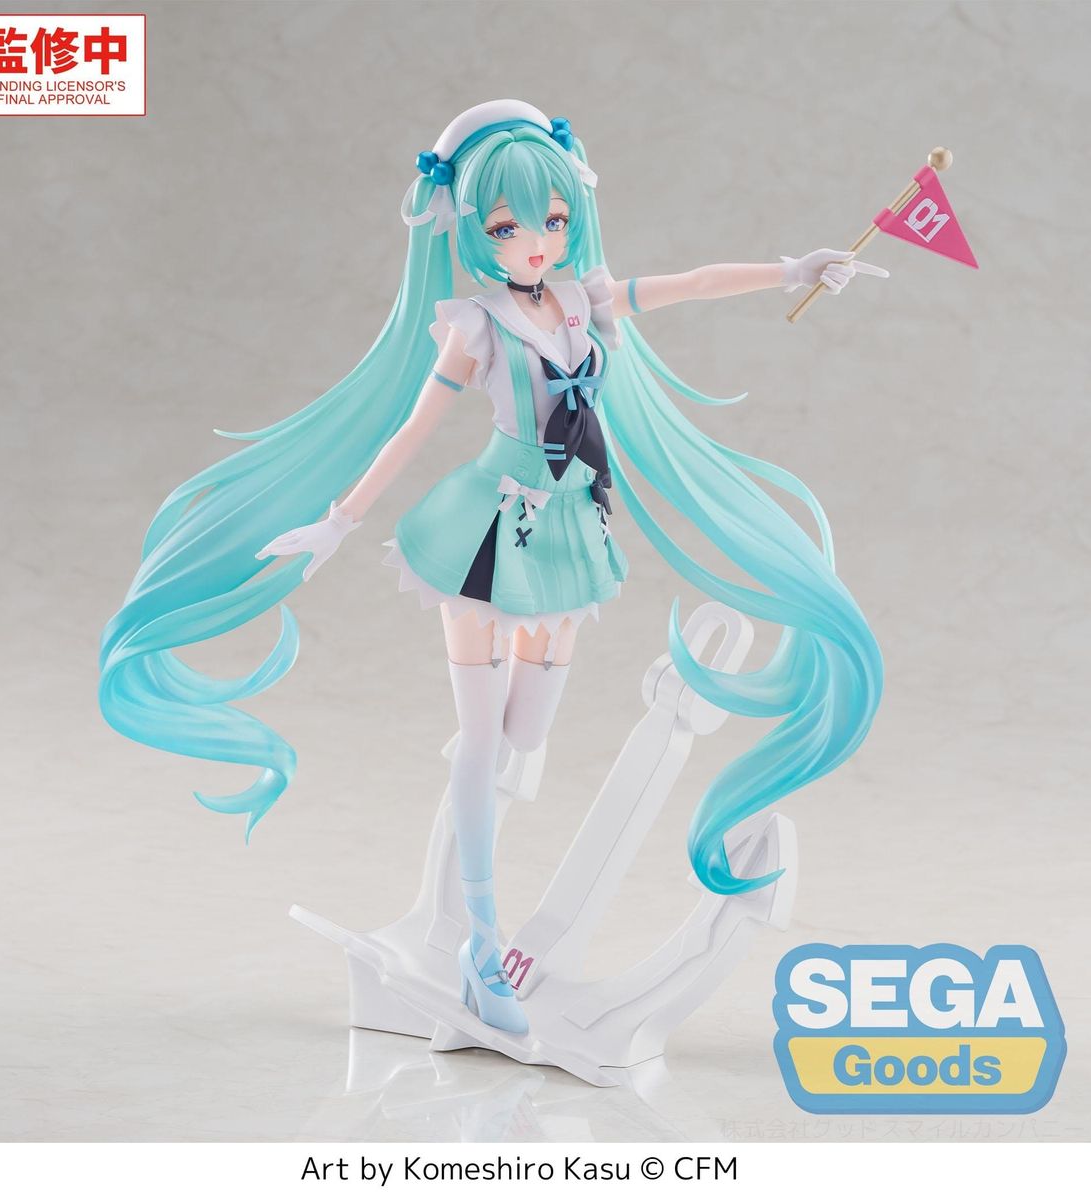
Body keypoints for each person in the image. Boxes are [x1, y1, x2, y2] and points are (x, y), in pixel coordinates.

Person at [100, 99, 886, 1038]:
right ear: (473, 231)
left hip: (567, 533)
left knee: (523, 736)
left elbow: (686, 283)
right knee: (482, 740)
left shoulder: (581, 298)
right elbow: (410, 430)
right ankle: (478, 938)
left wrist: (792, 269)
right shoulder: (473, 326)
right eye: (509, 227)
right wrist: (338, 522)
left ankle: (461, 891)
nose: (535, 242)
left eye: (551, 220)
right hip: (483, 531)